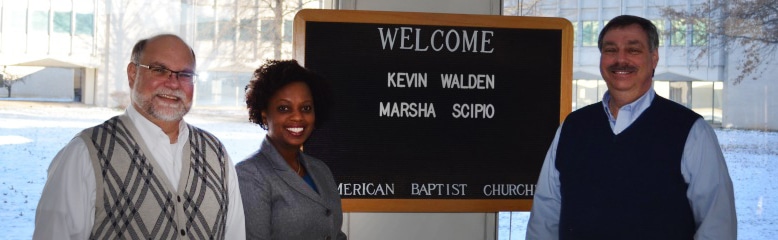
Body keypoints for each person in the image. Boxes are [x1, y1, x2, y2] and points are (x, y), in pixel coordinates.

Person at [526, 15, 737, 239]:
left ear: (654, 58)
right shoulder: (573, 127)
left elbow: (717, 225)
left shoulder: (691, 132)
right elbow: (545, 215)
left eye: (633, 50)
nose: (621, 59)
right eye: (610, 50)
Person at [33, 34, 246, 239]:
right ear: (132, 74)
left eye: (185, 74)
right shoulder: (85, 154)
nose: (173, 83)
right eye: (159, 70)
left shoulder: (216, 154)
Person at [237, 59, 347, 239]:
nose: (298, 117)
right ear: (265, 115)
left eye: (306, 108)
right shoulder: (249, 175)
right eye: (284, 108)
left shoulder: (321, 170)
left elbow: (335, 234)